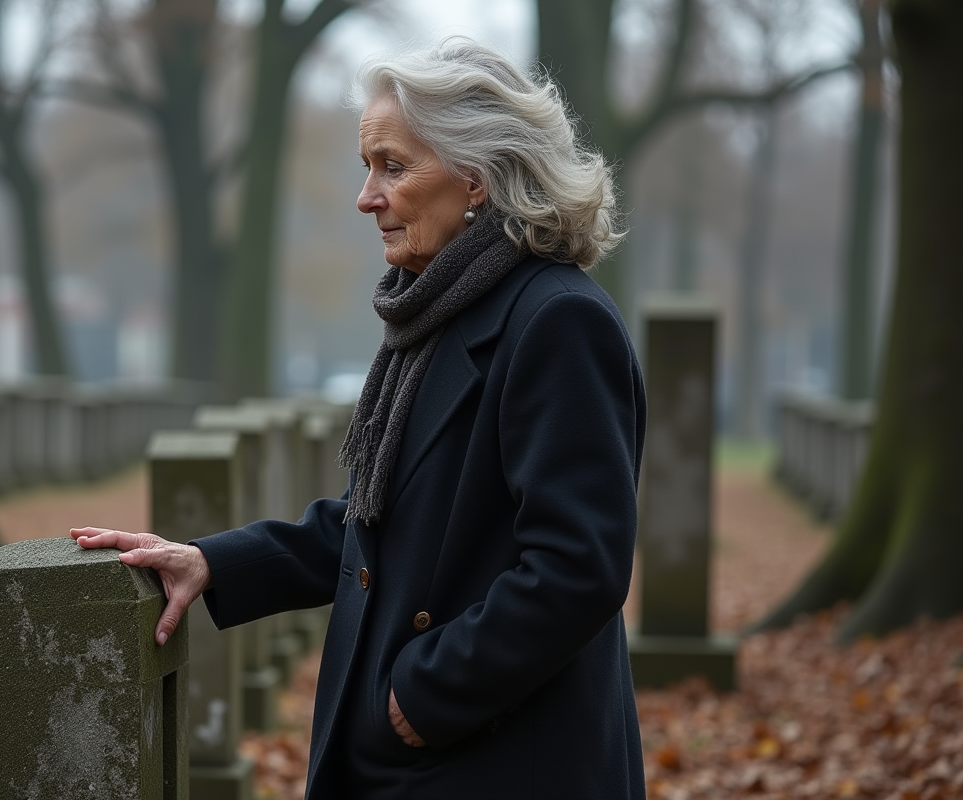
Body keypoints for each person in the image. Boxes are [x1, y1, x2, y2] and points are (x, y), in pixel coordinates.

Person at [73, 36, 647, 799]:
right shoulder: (440, 313)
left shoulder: (556, 322)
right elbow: (380, 526)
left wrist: (426, 693)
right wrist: (213, 563)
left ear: (475, 178)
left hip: (496, 762)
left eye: (393, 165)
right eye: (367, 166)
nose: (366, 196)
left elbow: (580, 567)